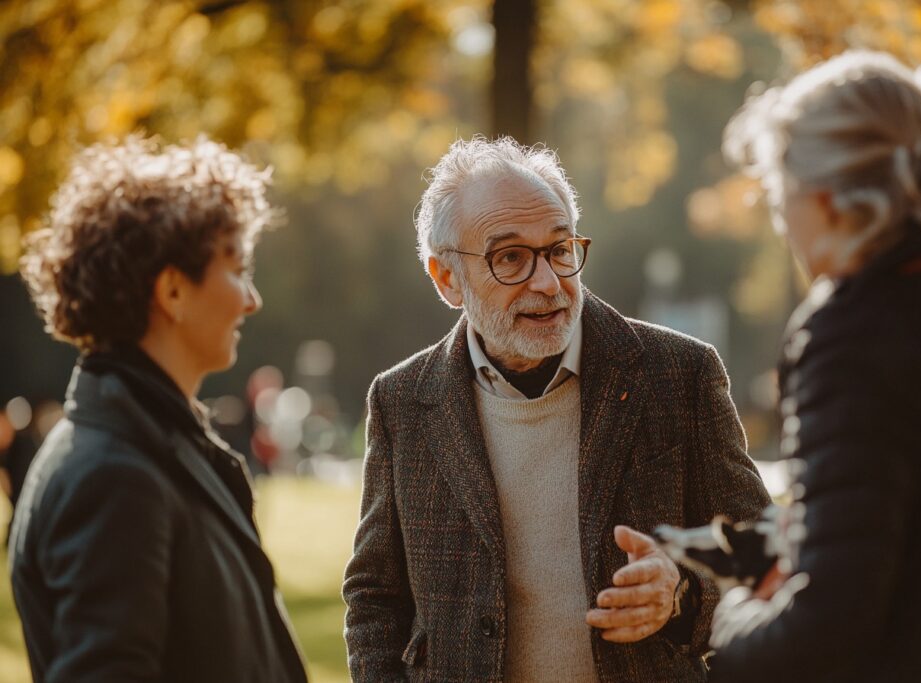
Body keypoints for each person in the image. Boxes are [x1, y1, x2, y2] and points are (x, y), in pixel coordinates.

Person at [342, 136, 770, 682]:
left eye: (560, 249)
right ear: (448, 278)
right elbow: (376, 596)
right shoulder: (401, 401)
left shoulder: (679, 375)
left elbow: (763, 561)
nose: (548, 284)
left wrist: (682, 598)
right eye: (510, 257)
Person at [708, 51, 921, 682]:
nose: (782, 223)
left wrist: (732, 625)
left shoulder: (854, 331)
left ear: (825, 202)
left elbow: (830, 626)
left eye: (780, 196)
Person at [10, 136, 308, 683]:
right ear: (172, 290)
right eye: (237, 268)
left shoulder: (149, 442)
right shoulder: (114, 475)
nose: (251, 299)